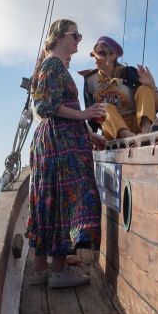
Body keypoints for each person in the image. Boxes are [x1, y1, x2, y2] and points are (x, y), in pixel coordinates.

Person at [26, 19, 104, 289]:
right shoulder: (53, 65)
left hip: (57, 139)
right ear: (59, 37)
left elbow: (58, 107)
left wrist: (87, 132)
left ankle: (40, 269)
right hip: (59, 143)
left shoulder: (52, 65)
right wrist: (83, 115)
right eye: (75, 35)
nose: (79, 40)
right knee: (65, 201)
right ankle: (58, 271)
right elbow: (46, 106)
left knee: (50, 200)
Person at [78, 36, 158, 138]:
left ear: (113, 55)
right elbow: (91, 115)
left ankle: (146, 131)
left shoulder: (128, 73)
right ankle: (127, 136)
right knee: (102, 107)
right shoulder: (90, 80)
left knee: (144, 88)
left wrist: (152, 86)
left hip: (137, 124)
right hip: (113, 131)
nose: (95, 57)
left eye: (100, 53)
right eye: (93, 54)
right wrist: (92, 137)